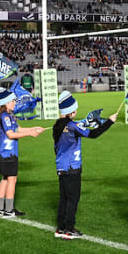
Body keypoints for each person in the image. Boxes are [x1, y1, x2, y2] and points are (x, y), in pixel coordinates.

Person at [50, 91, 117, 239]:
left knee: (63, 198)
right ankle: (69, 229)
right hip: (72, 168)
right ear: (71, 112)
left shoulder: (57, 125)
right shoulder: (73, 127)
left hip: (61, 167)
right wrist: (109, 122)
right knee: (73, 199)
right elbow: (93, 134)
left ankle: (60, 228)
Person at [0, 88, 47, 218]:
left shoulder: (9, 115)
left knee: (5, 179)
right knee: (12, 179)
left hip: (4, 154)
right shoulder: (5, 116)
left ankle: (0, 209)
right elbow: (11, 134)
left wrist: (34, 128)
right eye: (12, 100)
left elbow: (19, 129)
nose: (14, 103)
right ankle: (9, 210)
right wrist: (30, 134)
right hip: (8, 153)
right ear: (6, 102)